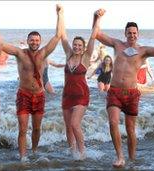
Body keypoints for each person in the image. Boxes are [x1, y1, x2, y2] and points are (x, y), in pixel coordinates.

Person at [93, 9, 154, 167]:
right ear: (125, 33)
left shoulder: (143, 51)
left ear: (138, 34)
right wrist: (96, 17)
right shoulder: (117, 44)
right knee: (113, 122)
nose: (132, 35)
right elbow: (96, 34)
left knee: (130, 129)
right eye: (129, 32)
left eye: (134, 33)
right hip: (114, 91)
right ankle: (120, 156)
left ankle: (132, 159)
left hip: (132, 94)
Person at [0, 4, 63, 162]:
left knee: (36, 128)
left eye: (37, 40)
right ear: (28, 41)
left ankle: (34, 151)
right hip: (24, 95)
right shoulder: (20, 53)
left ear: (40, 42)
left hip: (40, 95)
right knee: (22, 129)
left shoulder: (43, 53)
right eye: (32, 40)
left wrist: (59, 15)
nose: (34, 42)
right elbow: (0, 44)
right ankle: (23, 157)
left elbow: (57, 36)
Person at [60, 7, 99, 160]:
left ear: (83, 48)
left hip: (81, 96)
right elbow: (62, 36)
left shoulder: (86, 57)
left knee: (75, 124)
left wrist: (97, 18)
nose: (76, 47)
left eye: (79, 45)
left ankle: (82, 153)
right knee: (68, 127)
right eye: (75, 44)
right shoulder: (68, 55)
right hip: (66, 96)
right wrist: (60, 14)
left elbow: (93, 36)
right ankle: (72, 153)